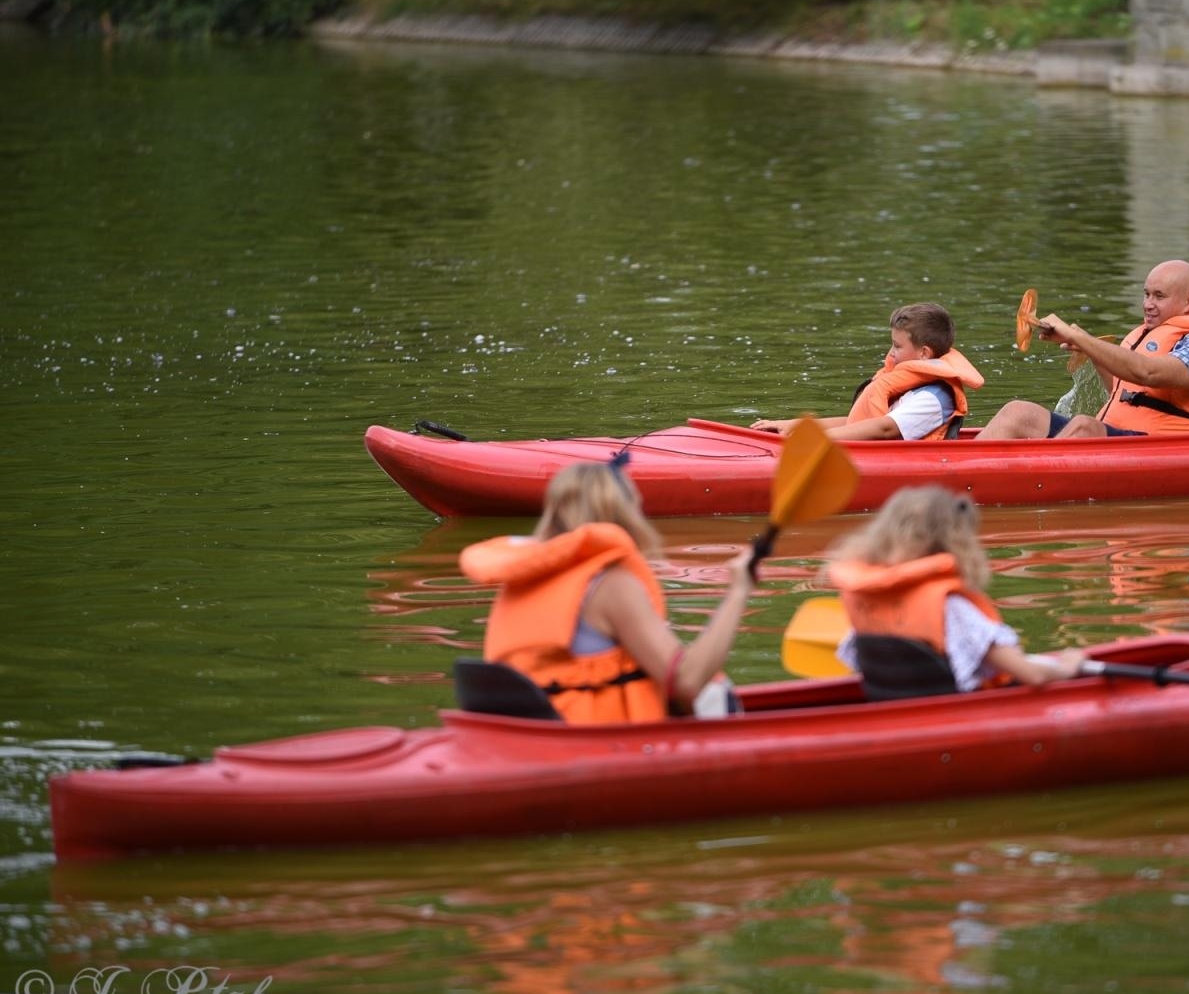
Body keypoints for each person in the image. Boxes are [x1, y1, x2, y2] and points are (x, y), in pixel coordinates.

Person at [458, 458, 752, 724]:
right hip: (594, 742)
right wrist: (739, 591)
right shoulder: (611, 584)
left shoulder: (523, 576)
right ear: (625, 512)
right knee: (713, 691)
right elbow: (685, 682)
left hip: (526, 732)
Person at [823, 486, 1085, 693]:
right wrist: (1069, 668)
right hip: (952, 718)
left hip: (893, 709)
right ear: (957, 541)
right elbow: (1034, 676)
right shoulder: (951, 607)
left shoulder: (864, 596)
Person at [976, 260, 1189, 439]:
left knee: (1085, 427)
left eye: (1159, 296)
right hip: (1127, 439)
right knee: (1018, 412)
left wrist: (1079, 335)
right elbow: (1127, 393)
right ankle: (954, 474)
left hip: (1171, 449)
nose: (1148, 303)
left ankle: (1012, 485)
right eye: (1146, 294)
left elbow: (1147, 373)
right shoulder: (1145, 334)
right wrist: (1085, 346)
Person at [752, 302, 984, 441]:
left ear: (924, 353)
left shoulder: (932, 398)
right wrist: (795, 425)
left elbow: (884, 428)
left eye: (898, 346)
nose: (891, 353)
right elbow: (857, 423)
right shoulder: (909, 388)